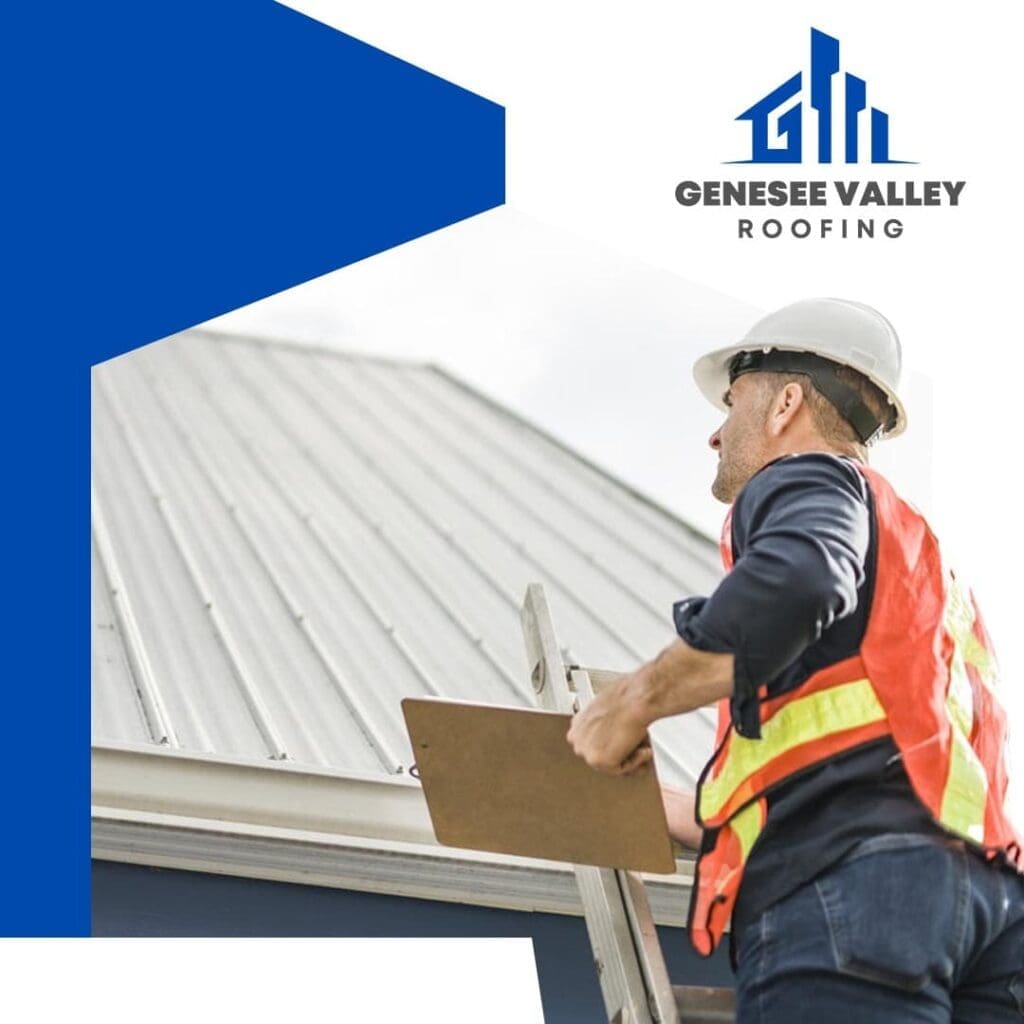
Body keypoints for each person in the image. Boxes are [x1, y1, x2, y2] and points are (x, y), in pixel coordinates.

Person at [566, 297, 1024, 1022]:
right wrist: (716, 817)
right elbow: (869, 744)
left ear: (785, 404)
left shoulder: (805, 476)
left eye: (733, 400)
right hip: (989, 909)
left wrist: (630, 704)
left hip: (857, 889)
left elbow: (799, 581)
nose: (716, 435)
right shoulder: (912, 558)